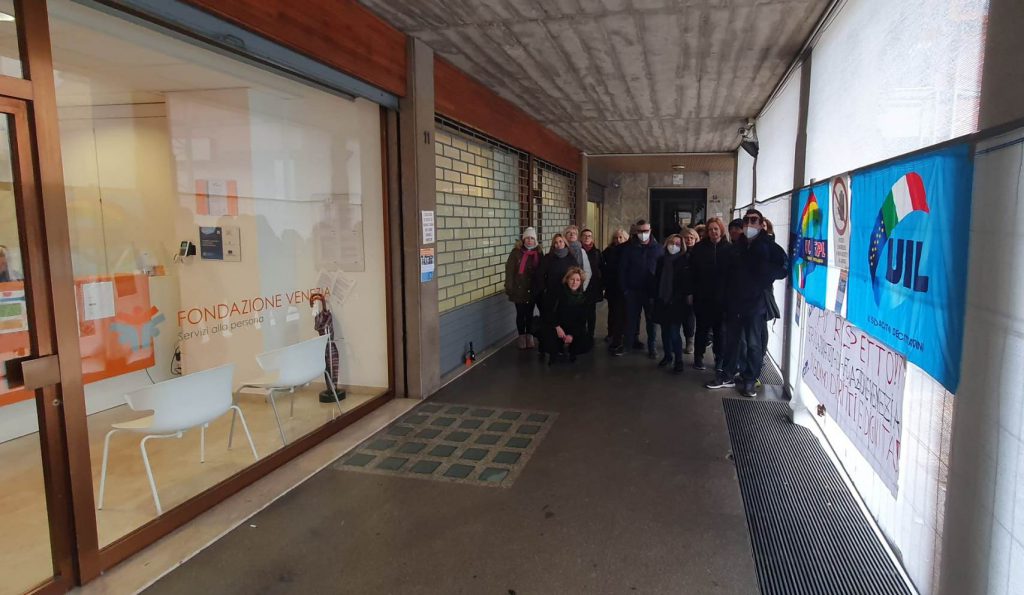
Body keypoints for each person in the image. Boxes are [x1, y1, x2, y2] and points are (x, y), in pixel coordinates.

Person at [706, 209, 788, 397]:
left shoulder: (769, 247)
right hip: (734, 303)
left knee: (753, 344)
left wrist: (764, 275)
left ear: (760, 223)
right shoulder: (736, 247)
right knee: (732, 341)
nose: (750, 224)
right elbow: (723, 274)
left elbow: (783, 268)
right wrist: (723, 298)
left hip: (756, 304)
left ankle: (750, 379)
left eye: (754, 220)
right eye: (746, 220)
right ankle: (727, 374)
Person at [689, 217, 732, 371]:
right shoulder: (699, 248)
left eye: (716, 229)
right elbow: (692, 273)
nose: (713, 232)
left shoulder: (729, 249)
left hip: (722, 298)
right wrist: (691, 293)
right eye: (710, 229)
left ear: (721, 230)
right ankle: (698, 357)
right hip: (702, 296)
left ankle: (719, 359)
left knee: (720, 332)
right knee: (702, 329)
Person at [617, 219, 663, 358]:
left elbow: (662, 271)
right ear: (636, 232)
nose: (643, 233)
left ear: (650, 231)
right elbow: (622, 270)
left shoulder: (658, 249)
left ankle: (652, 347)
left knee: (651, 321)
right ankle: (628, 345)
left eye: (646, 231)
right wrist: (625, 289)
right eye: (640, 231)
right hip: (633, 291)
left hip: (651, 292)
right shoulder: (629, 249)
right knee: (630, 320)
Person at [653, 234, 692, 373]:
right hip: (662, 300)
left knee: (674, 332)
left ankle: (679, 360)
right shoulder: (661, 260)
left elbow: (686, 282)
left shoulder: (684, 261)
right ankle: (668, 356)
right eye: (671, 243)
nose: (673, 246)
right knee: (664, 332)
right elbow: (657, 279)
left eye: (677, 244)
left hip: (677, 302)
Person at [542, 267, 593, 364]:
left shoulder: (583, 298)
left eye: (577, 280)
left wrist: (571, 335)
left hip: (572, 328)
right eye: (572, 279)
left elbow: (582, 320)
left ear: (581, 282)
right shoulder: (557, 293)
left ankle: (571, 350)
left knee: (586, 341)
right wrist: (557, 327)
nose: (574, 282)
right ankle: (557, 350)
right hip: (557, 327)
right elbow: (549, 312)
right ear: (567, 280)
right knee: (549, 339)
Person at [504, 227, 542, 349]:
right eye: (527, 238)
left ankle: (529, 335)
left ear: (535, 240)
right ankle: (521, 336)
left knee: (530, 314)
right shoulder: (516, 252)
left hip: (532, 289)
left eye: (532, 238)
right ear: (523, 239)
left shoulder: (538, 253)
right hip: (519, 289)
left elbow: (542, 271)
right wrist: (509, 287)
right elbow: (509, 271)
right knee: (520, 314)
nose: (529, 240)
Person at [602, 228, 629, 351]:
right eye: (615, 237)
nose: (618, 240)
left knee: (624, 313)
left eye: (620, 237)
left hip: (624, 287)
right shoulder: (608, 251)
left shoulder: (628, 250)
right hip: (612, 286)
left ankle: (624, 335)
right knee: (612, 312)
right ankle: (611, 333)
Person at [534, 234, 576, 311]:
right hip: (551, 293)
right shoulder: (548, 258)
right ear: (553, 245)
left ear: (565, 243)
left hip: (567, 293)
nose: (558, 244)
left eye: (560, 241)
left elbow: (576, 274)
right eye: (556, 242)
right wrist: (544, 289)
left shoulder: (571, 258)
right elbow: (539, 274)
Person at [580, 228, 603, 342]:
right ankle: (581, 333)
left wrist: (602, 286)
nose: (587, 237)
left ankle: (590, 334)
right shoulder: (578, 251)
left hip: (593, 287)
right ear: (581, 238)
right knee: (581, 311)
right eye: (584, 235)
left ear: (592, 238)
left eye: (589, 235)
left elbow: (601, 269)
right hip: (580, 287)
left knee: (591, 313)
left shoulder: (597, 252)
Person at [680, 227, 700, 354]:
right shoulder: (678, 252)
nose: (689, 240)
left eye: (691, 238)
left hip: (693, 290)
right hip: (678, 289)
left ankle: (690, 341)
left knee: (689, 317)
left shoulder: (698, 253)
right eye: (686, 238)